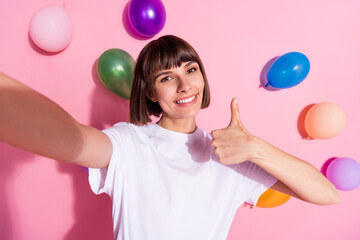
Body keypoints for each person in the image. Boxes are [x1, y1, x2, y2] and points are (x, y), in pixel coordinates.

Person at [0, 35, 338, 240]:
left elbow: (326, 194)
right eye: (167, 77)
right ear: (150, 92)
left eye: (190, 70)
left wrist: (255, 147)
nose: (184, 85)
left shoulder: (232, 155)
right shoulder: (130, 143)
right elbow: (75, 140)